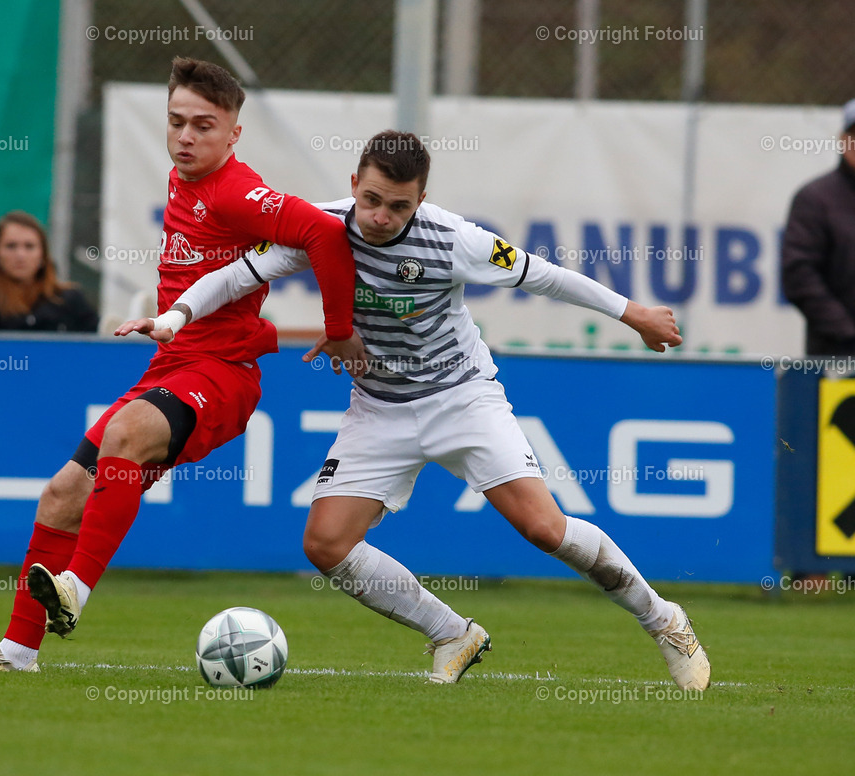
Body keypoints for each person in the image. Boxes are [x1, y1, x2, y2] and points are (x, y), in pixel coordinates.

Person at [158, 130, 711, 690]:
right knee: (325, 545)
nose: (380, 216)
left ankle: (665, 621)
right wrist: (174, 318)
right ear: (353, 186)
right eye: (371, 199)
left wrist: (632, 312)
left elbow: (542, 275)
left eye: (399, 206)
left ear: (420, 200)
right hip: (379, 408)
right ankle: (452, 633)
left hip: (462, 398)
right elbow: (233, 276)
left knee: (545, 529)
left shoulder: (455, 239)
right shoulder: (318, 226)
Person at [0, 57, 364, 672]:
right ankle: (16, 654)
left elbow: (325, 236)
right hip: (174, 364)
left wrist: (339, 331)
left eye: (203, 125)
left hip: (222, 373)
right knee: (63, 494)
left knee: (124, 435)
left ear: (233, 134)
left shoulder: (235, 191)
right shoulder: (184, 178)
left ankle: (76, 590)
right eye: (176, 123)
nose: (186, 137)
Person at [782, 98, 855, 356]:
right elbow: (799, 276)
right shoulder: (815, 199)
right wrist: (847, 332)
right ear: (842, 139)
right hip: (836, 357)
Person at [0, 211, 99, 332]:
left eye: (29, 246)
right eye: (11, 246)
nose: (20, 255)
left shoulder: (69, 299)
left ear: (43, 255)